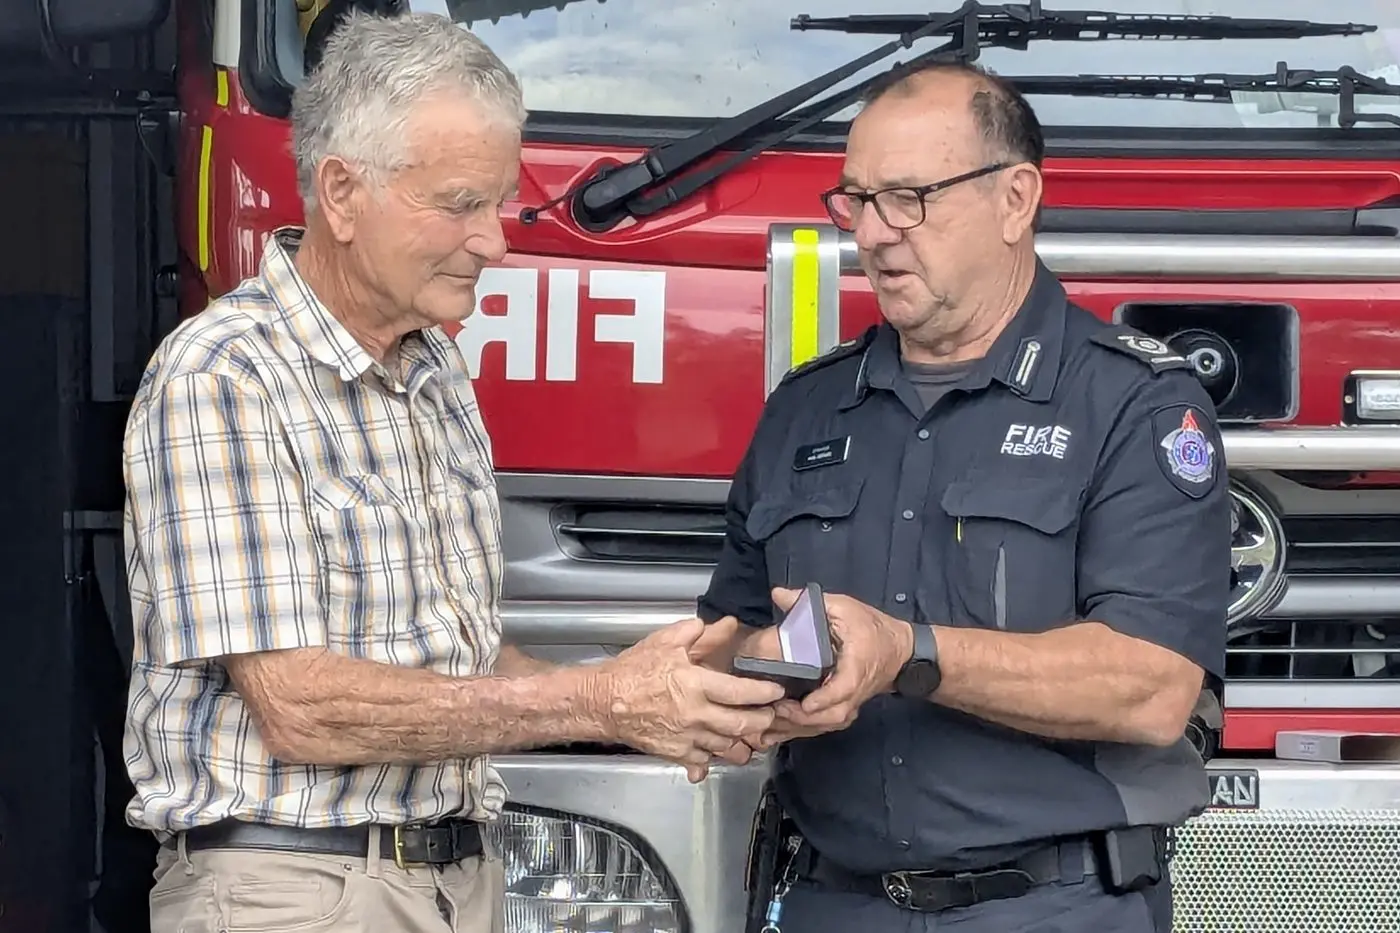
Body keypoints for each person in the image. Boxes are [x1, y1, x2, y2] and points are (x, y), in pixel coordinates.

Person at [119, 11, 784, 933]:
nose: (496, 243)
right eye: (462, 204)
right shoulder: (225, 375)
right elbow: (302, 707)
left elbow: (464, 668)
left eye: (499, 205)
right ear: (343, 194)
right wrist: (600, 696)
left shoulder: (432, 373)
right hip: (291, 895)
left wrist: (647, 688)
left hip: (451, 884)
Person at [698, 61, 1231, 933]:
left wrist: (904, 651)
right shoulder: (804, 407)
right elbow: (728, 637)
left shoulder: (1135, 405)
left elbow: (1151, 686)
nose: (873, 233)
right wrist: (759, 670)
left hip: (1052, 907)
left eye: (909, 197)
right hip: (832, 901)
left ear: (1016, 200)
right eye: (856, 200)